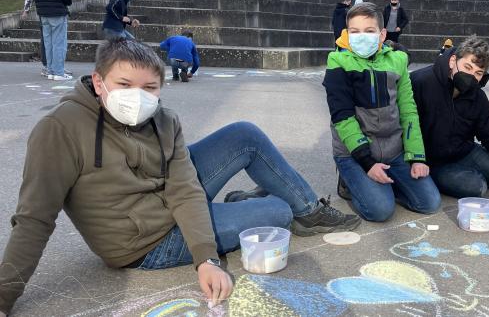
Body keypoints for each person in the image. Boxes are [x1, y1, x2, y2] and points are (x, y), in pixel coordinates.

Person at [0, 39, 360, 315]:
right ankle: (265, 205)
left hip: (169, 203)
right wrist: (3, 296)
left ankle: (308, 210)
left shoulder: (164, 120)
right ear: (98, 82)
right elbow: (35, 218)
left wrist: (206, 257)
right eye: (124, 84)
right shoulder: (59, 128)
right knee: (279, 211)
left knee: (244, 135)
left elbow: (184, 188)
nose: (136, 97)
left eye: (149, 88)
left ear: (160, 86)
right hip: (146, 242)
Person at [323, 2, 441, 222]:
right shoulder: (337, 61)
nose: (362, 37)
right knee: (380, 211)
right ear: (347, 33)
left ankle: (382, 186)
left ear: (382, 34)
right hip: (354, 154)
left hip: (392, 150)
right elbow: (342, 116)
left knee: (429, 203)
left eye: (369, 31)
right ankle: (349, 182)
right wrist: (367, 163)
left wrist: (417, 157)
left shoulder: (398, 61)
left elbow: (408, 111)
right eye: (355, 32)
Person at [410, 36, 489, 200]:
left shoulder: (477, 96)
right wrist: (416, 160)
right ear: (452, 61)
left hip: (464, 151)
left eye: (478, 72)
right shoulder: (421, 82)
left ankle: (476, 170)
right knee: (476, 187)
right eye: (467, 67)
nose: (471, 75)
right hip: (432, 161)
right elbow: (405, 127)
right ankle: (454, 176)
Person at [22, 0, 73, 81]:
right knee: (59, 44)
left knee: (48, 43)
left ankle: (50, 70)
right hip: (57, 13)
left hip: (43, 13)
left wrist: (28, 8)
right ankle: (59, 72)